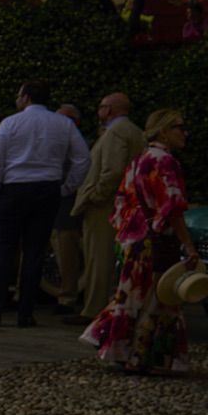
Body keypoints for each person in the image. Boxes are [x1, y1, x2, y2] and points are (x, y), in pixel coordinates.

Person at [81, 110, 201, 374]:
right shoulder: (166, 162)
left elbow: (122, 202)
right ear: (164, 131)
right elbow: (173, 208)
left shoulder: (140, 160)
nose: (185, 132)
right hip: (156, 240)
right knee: (159, 298)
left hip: (135, 238)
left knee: (135, 296)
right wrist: (189, 245)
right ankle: (148, 358)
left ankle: (124, 351)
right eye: (179, 127)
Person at [0, 79, 90, 328]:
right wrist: (66, 187)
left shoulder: (10, 123)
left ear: (25, 97)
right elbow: (82, 158)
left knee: (3, 250)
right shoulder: (64, 124)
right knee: (35, 251)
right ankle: (26, 312)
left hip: (13, 188)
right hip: (47, 188)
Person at [70, 92, 145, 322]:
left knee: (98, 257)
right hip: (125, 203)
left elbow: (112, 170)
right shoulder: (135, 131)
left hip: (106, 205)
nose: (99, 111)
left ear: (109, 109)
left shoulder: (116, 132)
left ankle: (93, 309)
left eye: (101, 106)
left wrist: (96, 195)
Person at [48, 104, 87, 314]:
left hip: (66, 202)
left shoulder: (75, 144)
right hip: (54, 199)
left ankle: (67, 296)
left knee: (66, 249)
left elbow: (81, 166)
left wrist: (65, 189)